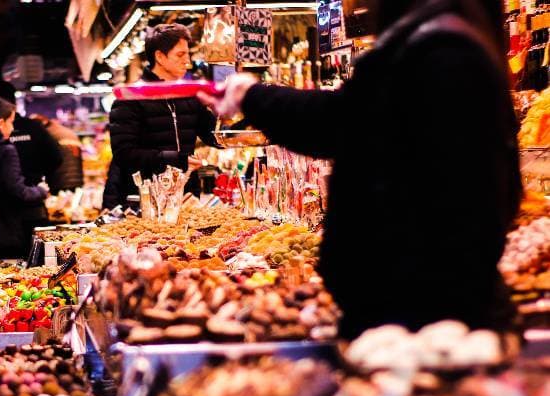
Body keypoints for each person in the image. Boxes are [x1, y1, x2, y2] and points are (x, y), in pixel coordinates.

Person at [200, 0, 520, 339]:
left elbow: (342, 122)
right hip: (418, 307)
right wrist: (251, 96)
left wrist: (254, 97)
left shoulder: (443, 51)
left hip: (426, 318)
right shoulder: (439, 41)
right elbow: (348, 118)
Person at [103, 23, 218, 208]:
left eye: (187, 54)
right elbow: (124, 154)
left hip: (186, 198)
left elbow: (215, 134)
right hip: (146, 201)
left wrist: (250, 116)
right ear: (159, 57)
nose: (187, 62)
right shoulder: (130, 98)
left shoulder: (189, 95)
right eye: (180, 55)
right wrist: (176, 159)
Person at [0, 97, 51, 257]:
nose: (12, 128)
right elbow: (17, 189)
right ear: (0, 123)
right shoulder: (6, 149)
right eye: (10, 122)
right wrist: (41, 191)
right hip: (7, 223)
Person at [32, 113, 85, 193]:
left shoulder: (47, 134)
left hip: (59, 180)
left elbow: (48, 158)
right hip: (77, 179)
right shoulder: (67, 131)